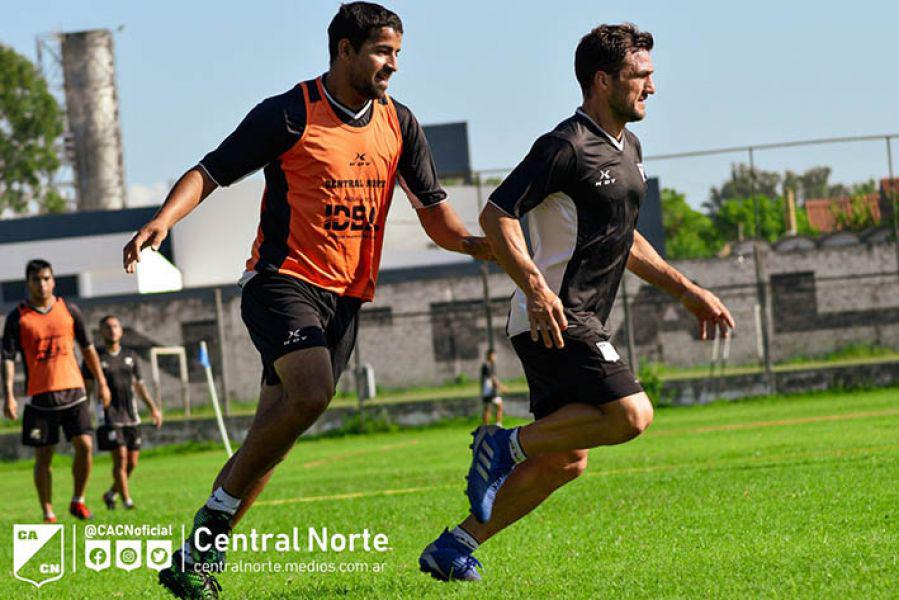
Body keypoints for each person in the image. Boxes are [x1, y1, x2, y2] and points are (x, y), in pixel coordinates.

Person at [122, 3, 490, 597]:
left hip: (345, 300)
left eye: (398, 53)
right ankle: (214, 517)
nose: (393, 65)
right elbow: (209, 171)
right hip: (281, 282)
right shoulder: (289, 112)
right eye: (382, 52)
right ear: (345, 50)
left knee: (271, 438)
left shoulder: (400, 123)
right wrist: (163, 221)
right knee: (313, 392)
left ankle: (196, 559)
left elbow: (437, 218)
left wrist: (485, 248)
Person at [419, 23, 735, 582]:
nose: (651, 87)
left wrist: (689, 291)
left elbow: (625, 239)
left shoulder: (629, 149)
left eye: (651, 76)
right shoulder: (564, 145)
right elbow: (497, 214)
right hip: (556, 316)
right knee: (632, 415)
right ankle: (503, 443)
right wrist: (537, 288)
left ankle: (455, 545)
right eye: (640, 76)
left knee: (566, 459)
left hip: (570, 317)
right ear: (602, 80)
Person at [2, 259, 111, 523]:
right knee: (44, 457)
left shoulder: (69, 310)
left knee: (85, 445)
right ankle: (48, 511)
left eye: (46, 278)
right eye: (36, 280)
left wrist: (102, 382)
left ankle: (78, 500)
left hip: (74, 392)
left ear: (53, 281)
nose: (42, 284)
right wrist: (9, 395)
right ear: (28, 283)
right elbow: (8, 358)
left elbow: (88, 349)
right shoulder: (17, 317)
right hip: (40, 399)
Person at [83, 314, 162, 511]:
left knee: (132, 463)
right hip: (108, 415)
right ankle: (127, 501)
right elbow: (87, 389)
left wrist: (153, 408)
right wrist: (84, 414)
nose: (112, 330)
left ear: (121, 330)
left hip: (131, 415)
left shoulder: (130, 356)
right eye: (108, 327)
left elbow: (139, 386)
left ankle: (111, 493)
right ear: (101, 332)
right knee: (120, 458)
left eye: (115, 326)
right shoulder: (94, 358)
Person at [479, 349, 506, 426]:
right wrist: (501, 387)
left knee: (493, 407)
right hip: (489, 391)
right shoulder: (486, 365)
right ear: (489, 355)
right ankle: (492, 425)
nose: (494, 357)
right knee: (490, 408)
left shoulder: (490, 365)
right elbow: (493, 379)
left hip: (490, 391)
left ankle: (493, 425)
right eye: (493, 355)